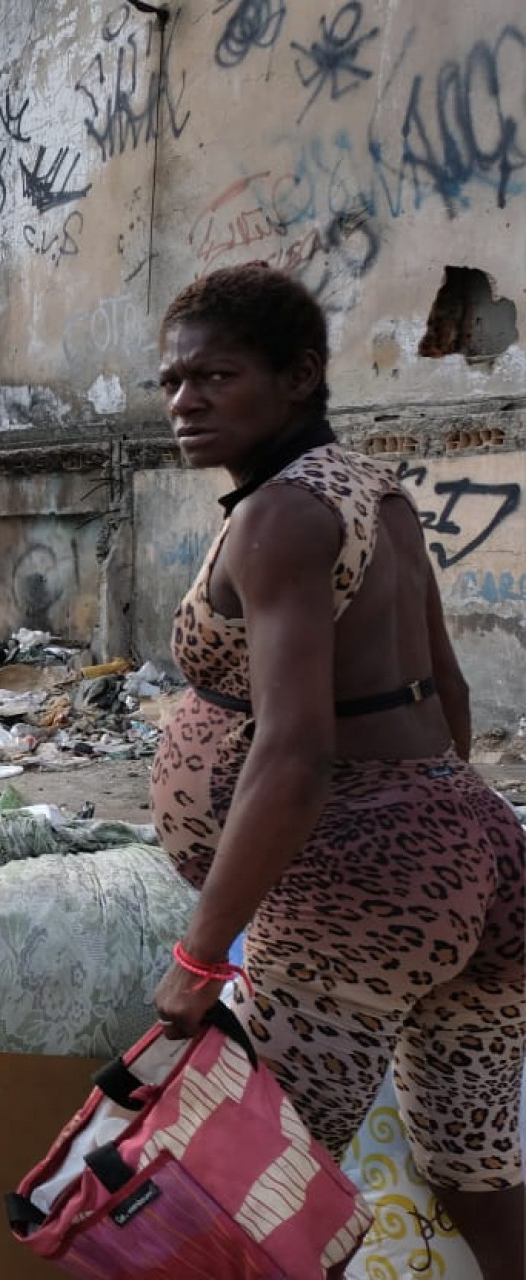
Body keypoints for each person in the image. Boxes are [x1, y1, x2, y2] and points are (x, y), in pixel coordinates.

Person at [148, 263, 522, 1278]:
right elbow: (448, 692)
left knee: (254, 1180)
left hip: (354, 893)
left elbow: (296, 753)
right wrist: (446, 838)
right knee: (473, 1159)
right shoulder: (376, 492)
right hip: (475, 855)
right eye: (172, 381)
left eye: (215, 376)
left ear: (299, 375)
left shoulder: (278, 518)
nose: (185, 402)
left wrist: (200, 958)